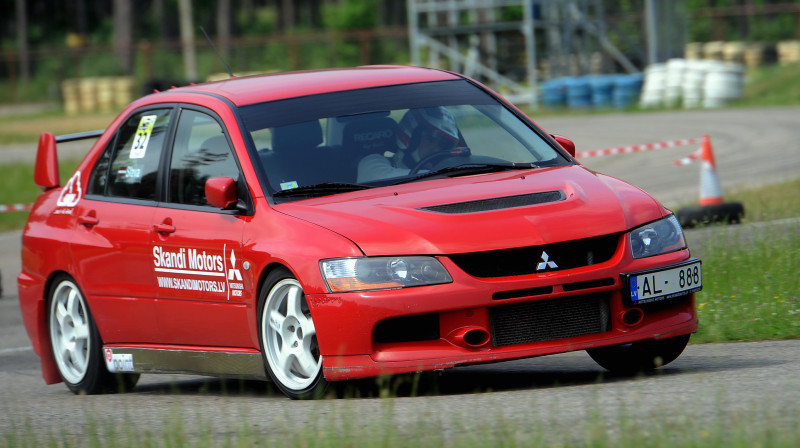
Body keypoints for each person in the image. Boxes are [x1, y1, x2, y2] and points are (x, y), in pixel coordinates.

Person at [357, 106, 460, 183]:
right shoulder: (370, 163)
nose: (437, 149)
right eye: (430, 139)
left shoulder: (445, 173)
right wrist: (449, 173)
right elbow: (380, 177)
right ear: (410, 138)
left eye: (443, 144)